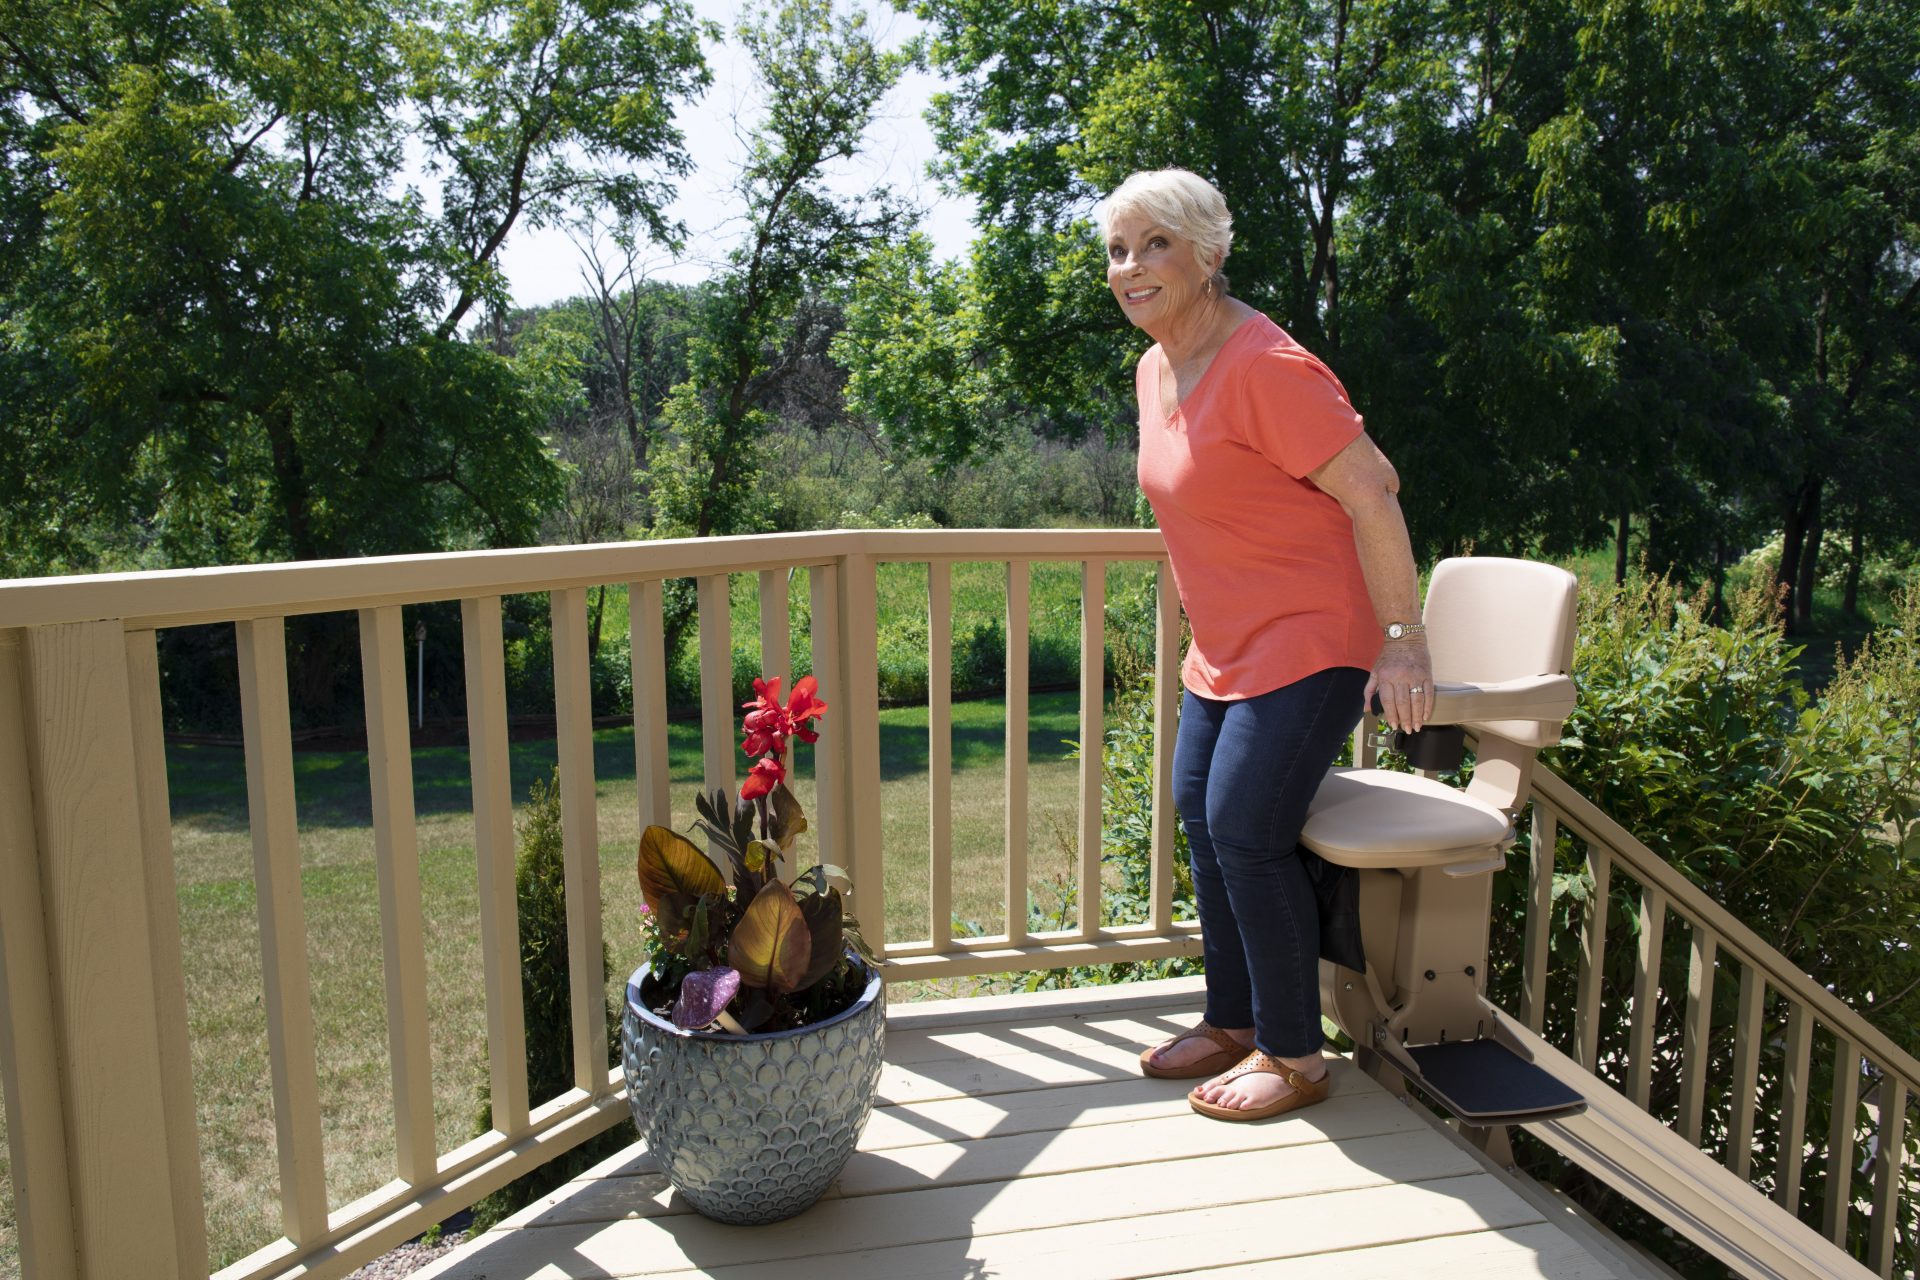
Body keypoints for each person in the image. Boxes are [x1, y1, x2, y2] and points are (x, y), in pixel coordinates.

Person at [1107, 168, 1433, 1122]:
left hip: (1317, 636)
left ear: (1208, 253)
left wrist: (1404, 644)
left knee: (1248, 830)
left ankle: (1296, 1056)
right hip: (1228, 647)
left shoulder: (1265, 365)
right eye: (1119, 251)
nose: (1131, 268)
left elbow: (1373, 486)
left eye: (1155, 244)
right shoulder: (1156, 366)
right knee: (1201, 821)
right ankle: (1236, 1020)